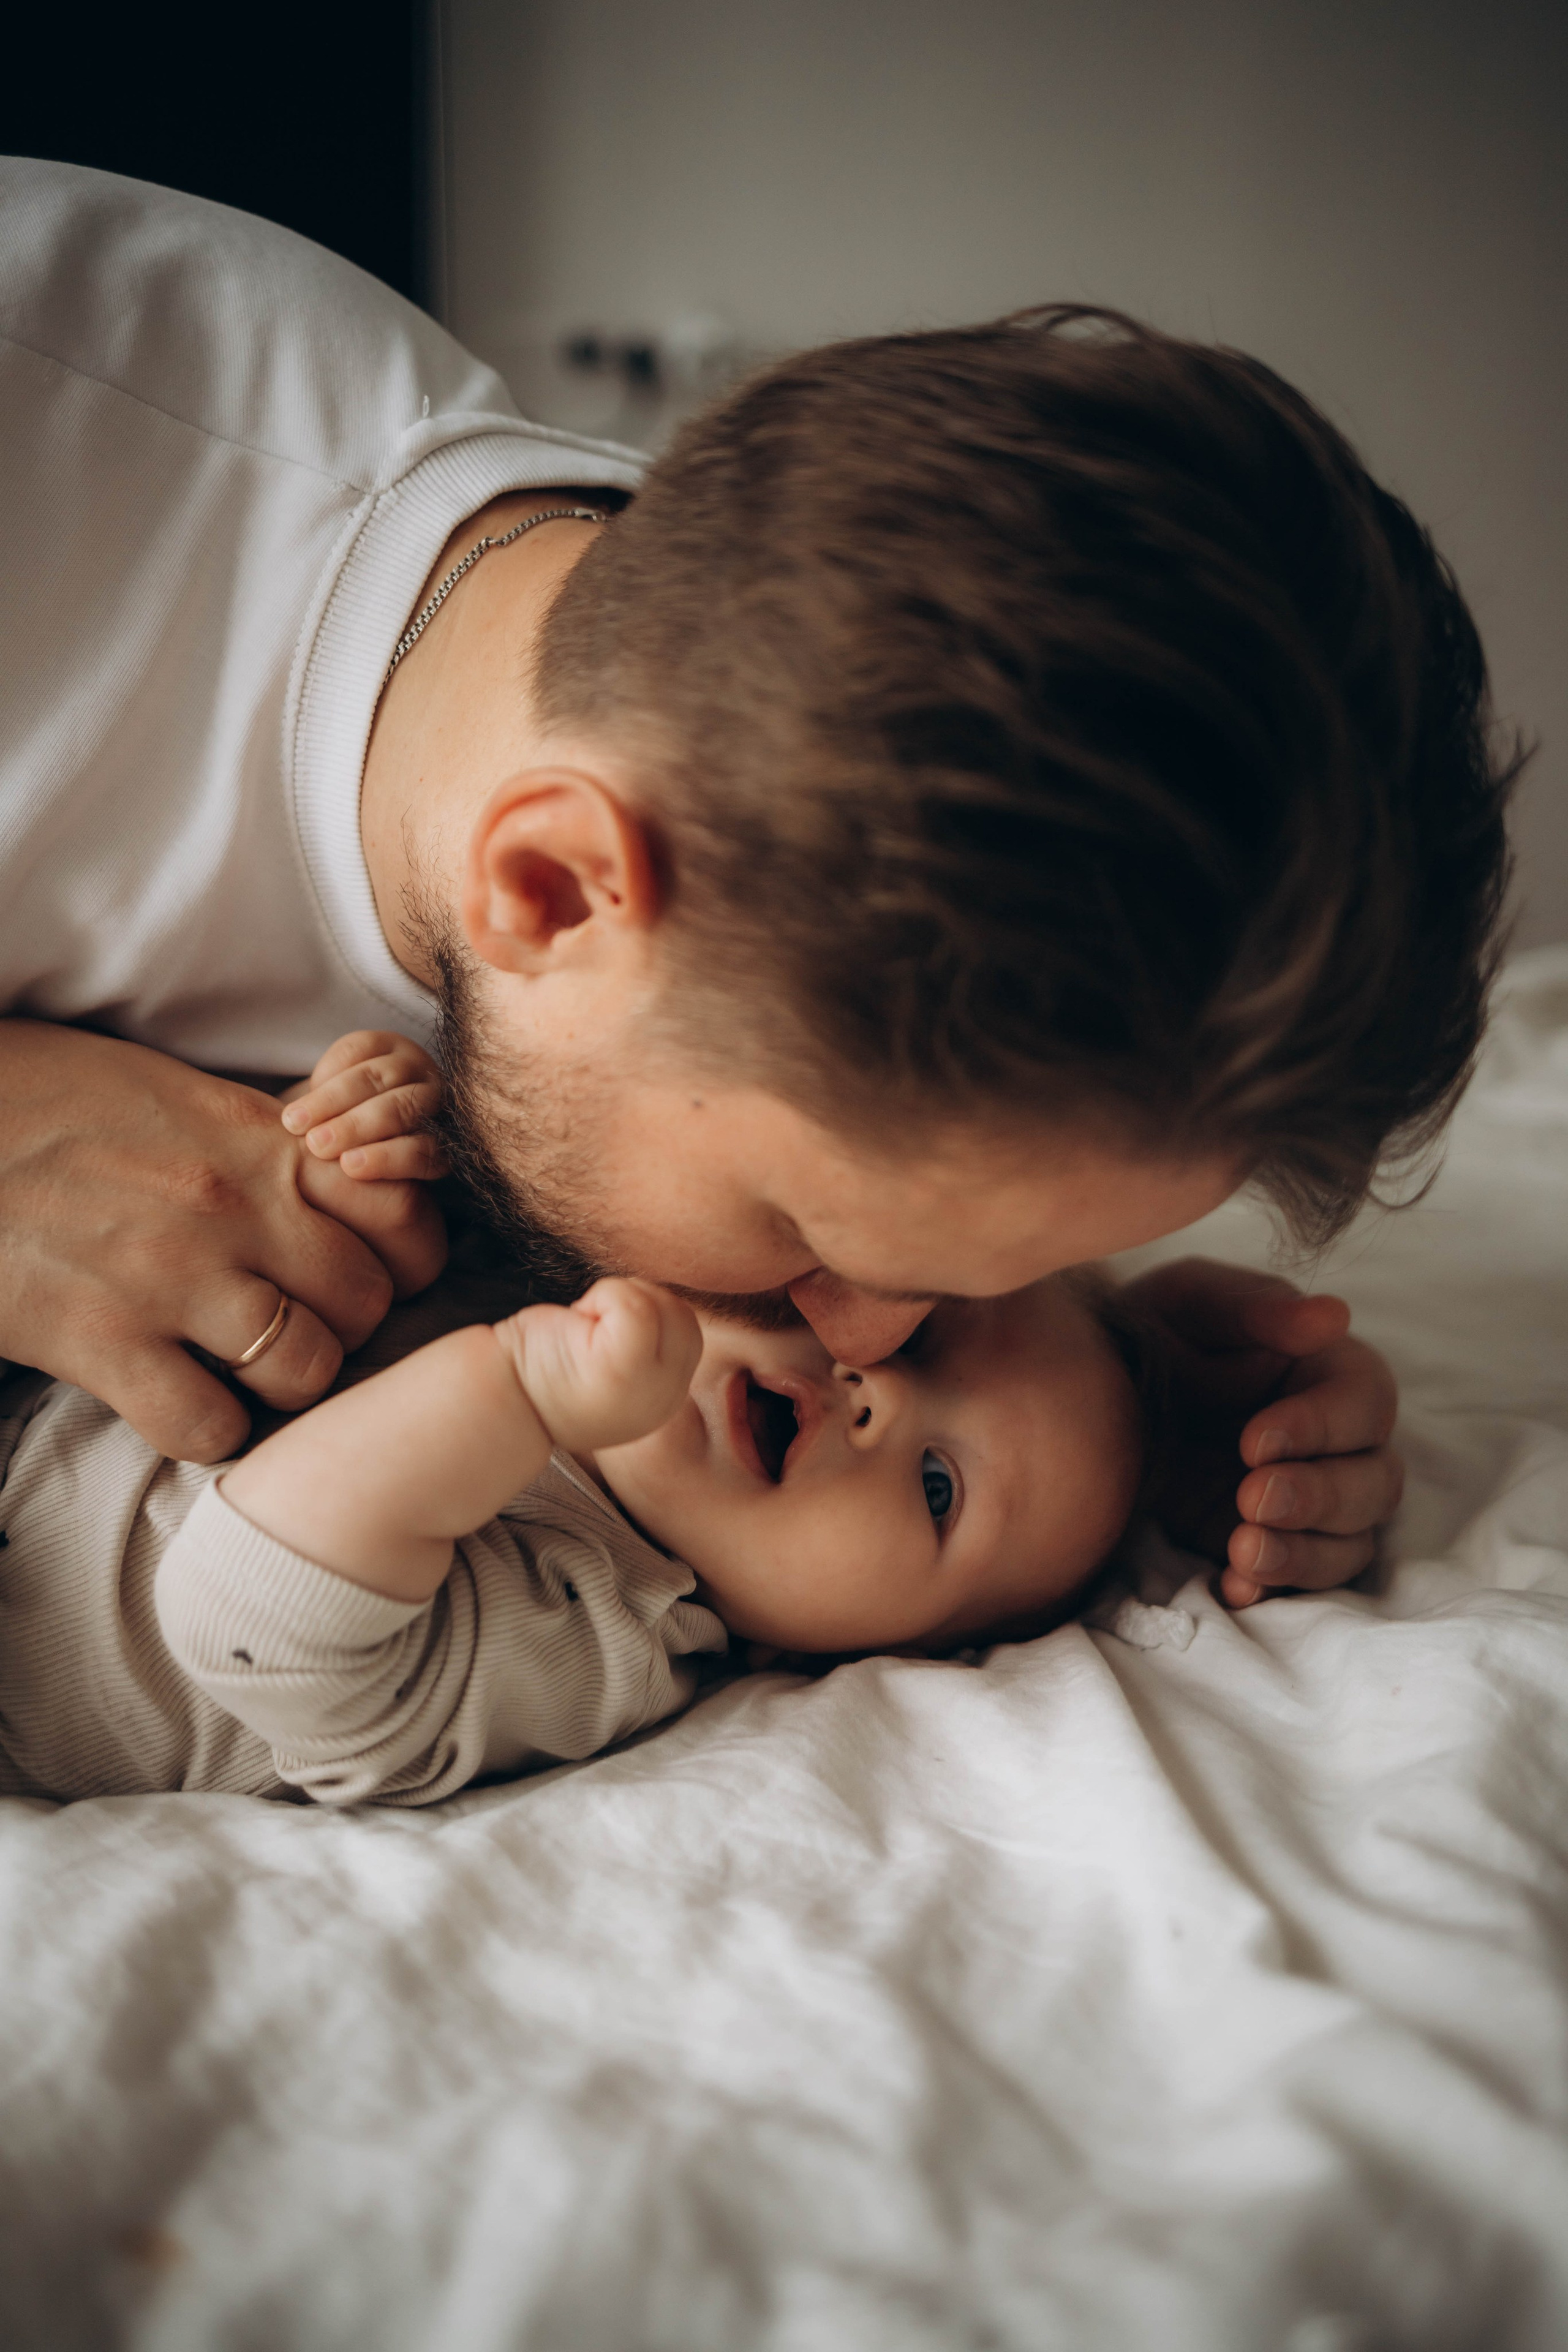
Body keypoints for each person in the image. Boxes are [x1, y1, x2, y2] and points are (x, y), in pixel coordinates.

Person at [0, 159, 1515, 1608]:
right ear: (553, 889)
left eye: (986, 1283)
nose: (870, 1337)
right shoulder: (57, 491)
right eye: (814, 1238)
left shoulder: (790, 694)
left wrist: (1127, 1394)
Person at [0, 1063, 1152, 1803]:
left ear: (833, 1656)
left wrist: (524, 1392)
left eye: (939, 1490)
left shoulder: (605, 1635)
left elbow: (249, 1614)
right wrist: (370, 1131)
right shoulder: (572, 1279)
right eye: (918, 1342)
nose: (879, 1396)